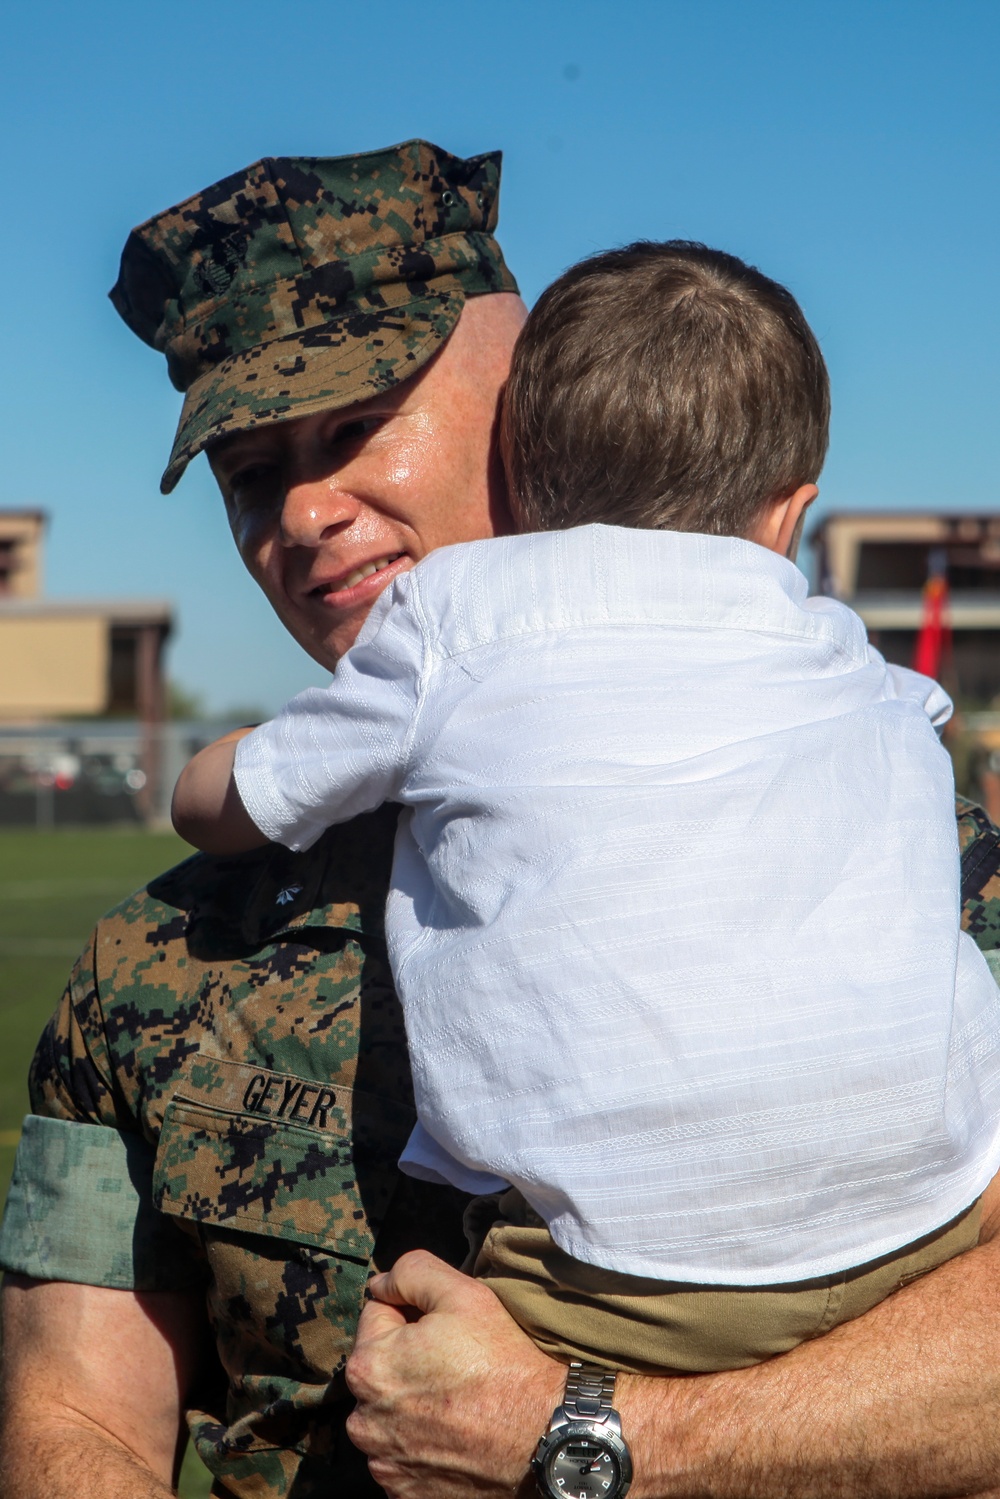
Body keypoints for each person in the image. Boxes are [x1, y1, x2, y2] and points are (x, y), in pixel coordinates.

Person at [0, 140, 998, 1499]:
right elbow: (80, 1426)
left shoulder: (932, 872)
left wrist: (591, 1440)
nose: (297, 513)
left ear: (528, 413)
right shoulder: (163, 960)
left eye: (354, 429)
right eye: (250, 475)